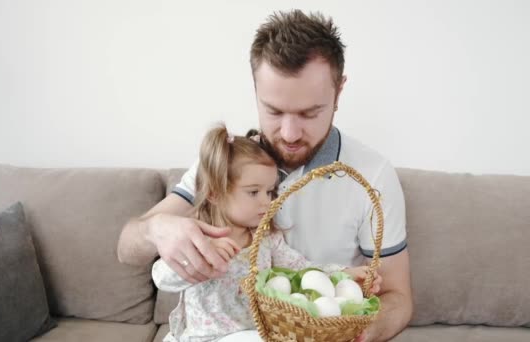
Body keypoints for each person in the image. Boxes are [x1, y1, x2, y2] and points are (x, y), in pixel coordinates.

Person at [117, 10, 412, 342]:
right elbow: (127, 247)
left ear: (338, 92)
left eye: (309, 113)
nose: (288, 133)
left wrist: (352, 333)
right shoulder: (226, 163)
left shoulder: (372, 175)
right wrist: (156, 230)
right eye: (273, 110)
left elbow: (398, 298)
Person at [152, 125, 382, 342]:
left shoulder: (267, 240)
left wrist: (342, 275)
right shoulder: (198, 237)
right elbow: (161, 278)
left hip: (254, 335)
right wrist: (201, 256)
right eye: (253, 192)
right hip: (206, 338)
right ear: (215, 194)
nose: (267, 202)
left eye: (270, 192)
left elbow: (301, 269)